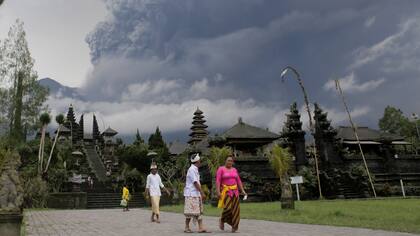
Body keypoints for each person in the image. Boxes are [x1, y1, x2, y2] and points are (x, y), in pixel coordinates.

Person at [216, 155, 247, 233]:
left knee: (236, 210)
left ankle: (234, 226)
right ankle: (222, 219)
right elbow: (218, 181)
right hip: (226, 191)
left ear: (233, 162)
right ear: (225, 161)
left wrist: (242, 191)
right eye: (228, 160)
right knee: (228, 208)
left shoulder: (234, 170)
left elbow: (238, 181)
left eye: (231, 161)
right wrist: (218, 192)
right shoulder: (221, 169)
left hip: (235, 192)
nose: (230, 162)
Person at [183, 154, 209, 233]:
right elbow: (195, 182)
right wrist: (202, 192)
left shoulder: (195, 169)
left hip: (195, 193)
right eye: (199, 160)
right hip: (191, 193)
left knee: (198, 211)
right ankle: (186, 227)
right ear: (197, 161)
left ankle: (200, 227)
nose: (200, 162)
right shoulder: (192, 169)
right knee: (190, 212)